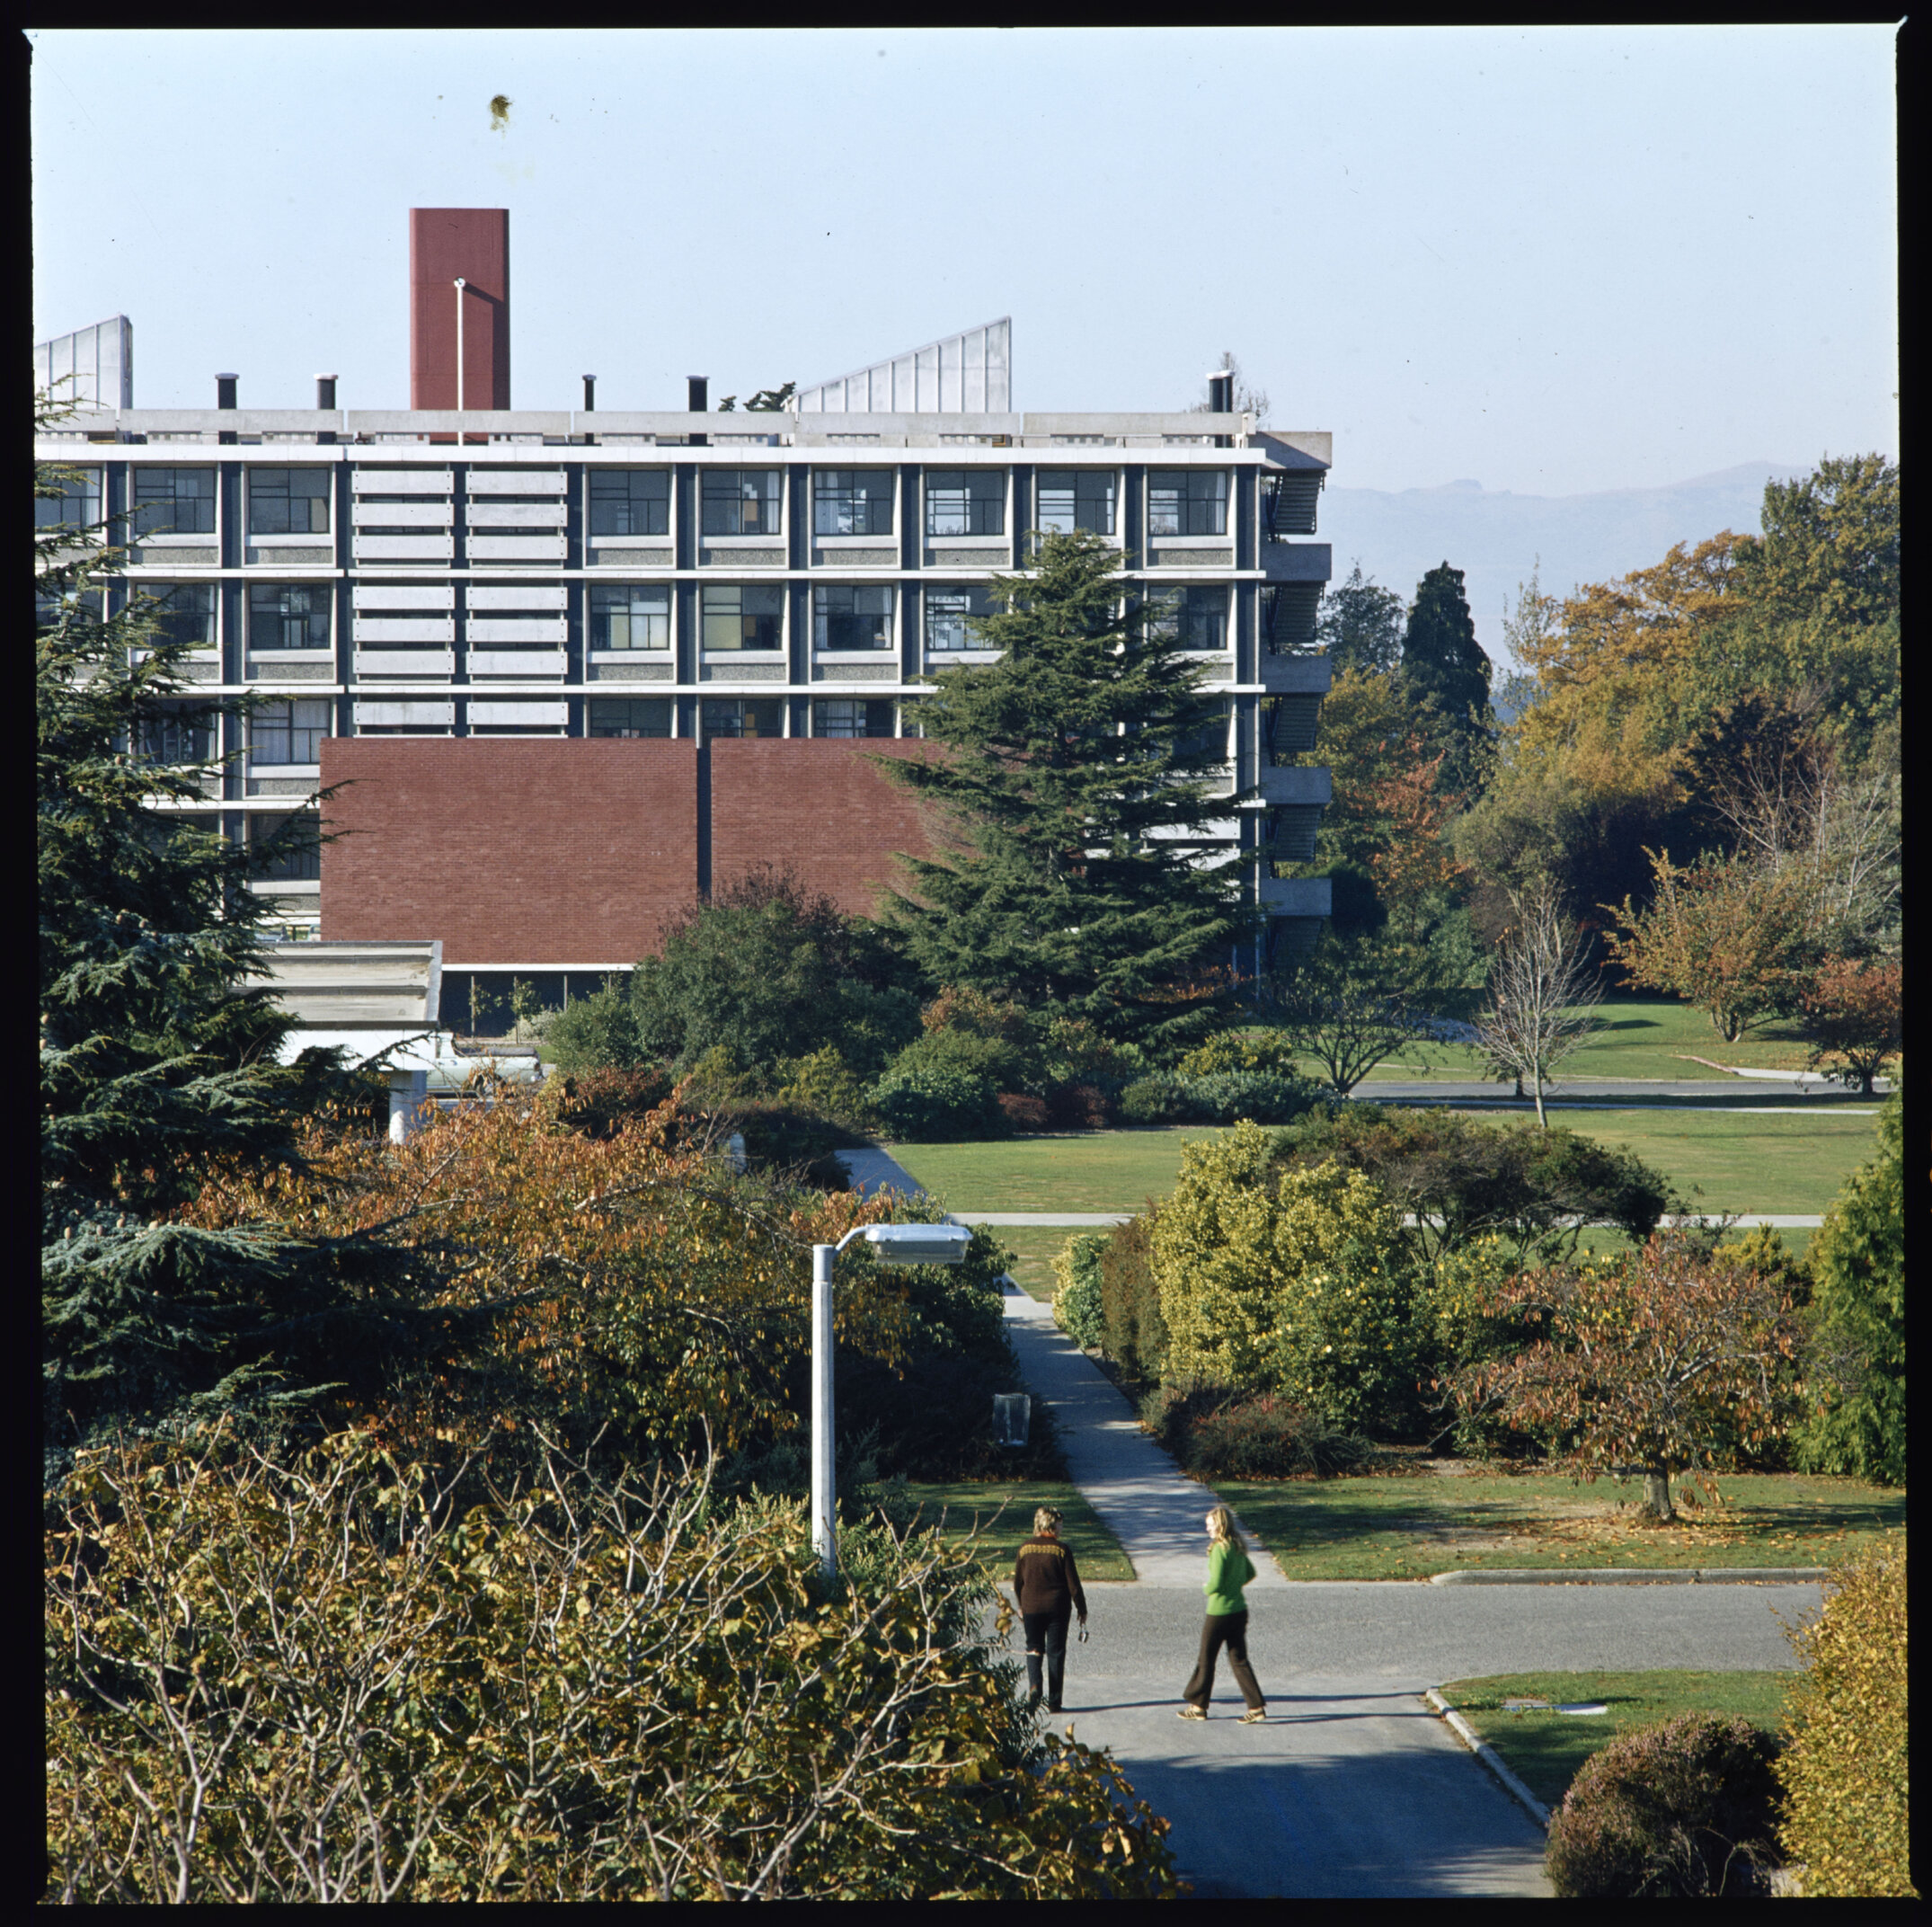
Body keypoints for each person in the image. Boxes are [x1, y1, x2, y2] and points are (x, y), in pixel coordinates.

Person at [1177, 1505, 1266, 1724]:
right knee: (1239, 1659)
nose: (1208, 1529)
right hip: (1238, 1611)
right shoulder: (1236, 1547)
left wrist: (1207, 1588)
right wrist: (1233, 1586)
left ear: (1221, 1525)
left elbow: (1215, 1582)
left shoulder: (1219, 1549)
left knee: (1206, 1659)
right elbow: (1250, 1572)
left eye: (1211, 1525)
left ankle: (1198, 1707)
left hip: (1218, 1613)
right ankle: (1256, 1707)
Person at [1013, 1505, 1087, 1713]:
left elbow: (1018, 1583)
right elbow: (1074, 1585)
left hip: (1031, 1608)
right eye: (1060, 1523)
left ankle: (1035, 1687)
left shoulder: (1024, 1548)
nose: (1062, 1527)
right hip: (1058, 1609)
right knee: (1056, 1653)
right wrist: (1082, 1609)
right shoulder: (1061, 1549)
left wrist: (1020, 1605)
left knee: (1034, 1648)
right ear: (1052, 1525)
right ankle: (1054, 1701)